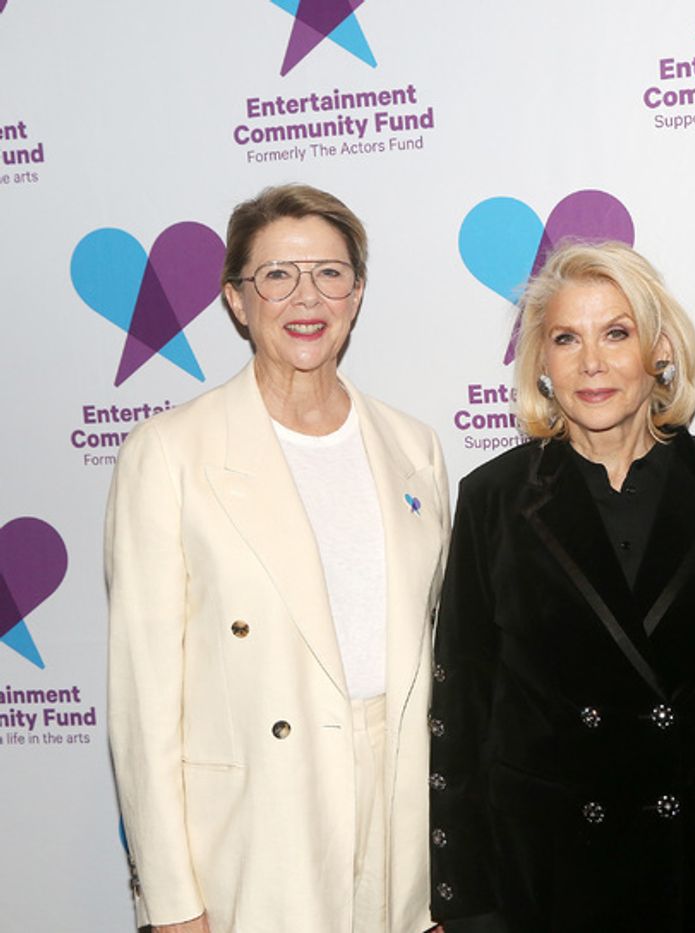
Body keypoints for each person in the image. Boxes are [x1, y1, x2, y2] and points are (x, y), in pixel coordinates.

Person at [106, 184, 449, 933]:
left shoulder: (414, 448)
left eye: (330, 273)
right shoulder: (169, 454)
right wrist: (171, 902)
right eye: (278, 275)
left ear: (357, 294)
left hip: (396, 823)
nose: (307, 296)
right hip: (255, 832)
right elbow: (145, 701)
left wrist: (441, 884)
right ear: (237, 299)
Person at [427, 241, 695, 931]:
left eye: (617, 333)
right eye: (566, 338)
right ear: (542, 365)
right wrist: (466, 901)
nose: (592, 361)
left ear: (661, 351)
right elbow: (460, 709)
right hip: (551, 872)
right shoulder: (492, 498)